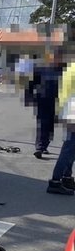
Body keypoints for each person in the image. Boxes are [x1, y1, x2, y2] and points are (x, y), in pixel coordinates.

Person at [48, 57, 75, 195]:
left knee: (71, 148)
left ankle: (66, 177)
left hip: (68, 111)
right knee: (69, 149)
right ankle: (55, 181)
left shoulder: (70, 69)